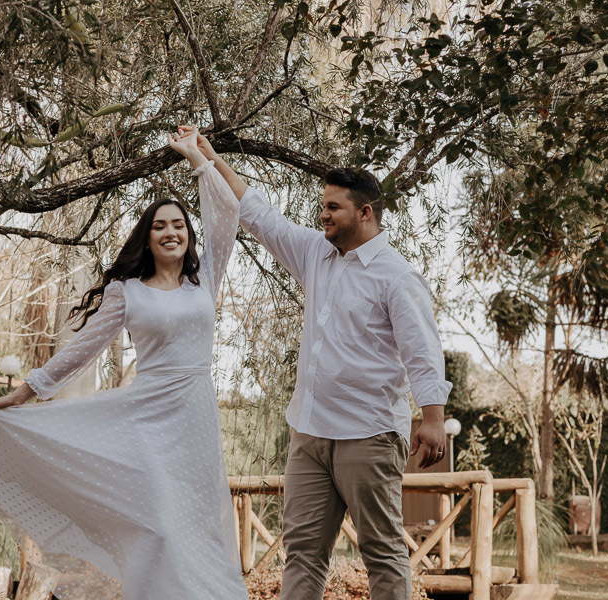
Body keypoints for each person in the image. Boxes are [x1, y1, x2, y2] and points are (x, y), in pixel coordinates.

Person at [0, 126, 249, 600]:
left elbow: (226, 213)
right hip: (146, 417)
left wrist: (199, 160)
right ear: (147, 236)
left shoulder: (205, 281)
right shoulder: (128, 291)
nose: (170, 232)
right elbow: (84, 348)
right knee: (158, 529)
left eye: (178, 224)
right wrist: (30, 388)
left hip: (195, 420)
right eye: (159, 225)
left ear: (188, 236)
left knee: (198, 528)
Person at [185, 127, 451, 600]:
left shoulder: (397, 276)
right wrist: (211, 158)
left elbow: (422, 351)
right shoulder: (314, 252)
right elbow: (258, 214)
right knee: (304, 551)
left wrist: (432, 418)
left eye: (333, 207)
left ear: (365, 213)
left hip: (368, 435)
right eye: (322, 205)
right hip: (309, 435)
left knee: (382, 552)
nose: (322, 213)